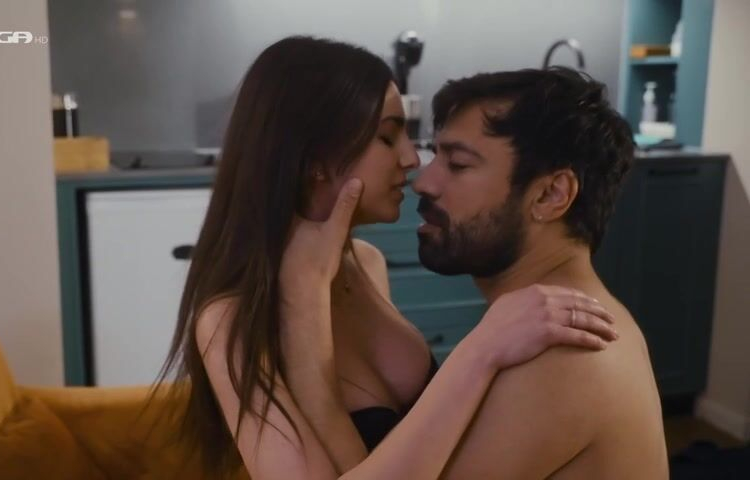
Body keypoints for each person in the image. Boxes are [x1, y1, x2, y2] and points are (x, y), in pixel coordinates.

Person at [159, 37, 618, 480]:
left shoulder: (365, 264)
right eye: (386, 137)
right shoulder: (230, 321)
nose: (411, 159)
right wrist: (479, 352)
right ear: (315, 158)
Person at [289, 67, 670, 478]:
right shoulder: (555, 320)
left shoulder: (562, 358)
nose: (423, 182)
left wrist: (306, 342)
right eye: (435, 156)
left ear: (550, 194)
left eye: (457, 164)